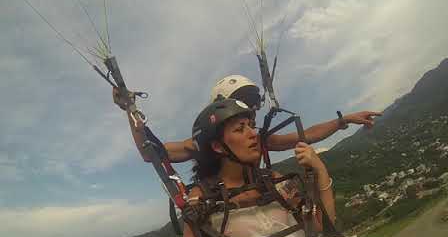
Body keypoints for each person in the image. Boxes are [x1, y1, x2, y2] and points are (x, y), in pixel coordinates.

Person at [180, 99, 448, 237]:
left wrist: (321, 172)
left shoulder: (275, 181)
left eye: (251, 126)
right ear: (217, 146)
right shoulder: (202, 198)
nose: (253, 134)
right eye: (240, 130)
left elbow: (318, 227)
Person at [112, 75, 382, 163]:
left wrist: (343, 120)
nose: (252, 112)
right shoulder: (203, 145)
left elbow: (306, 135)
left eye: (252, 108)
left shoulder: (258, 139)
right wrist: (130, 110)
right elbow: (153, 154)